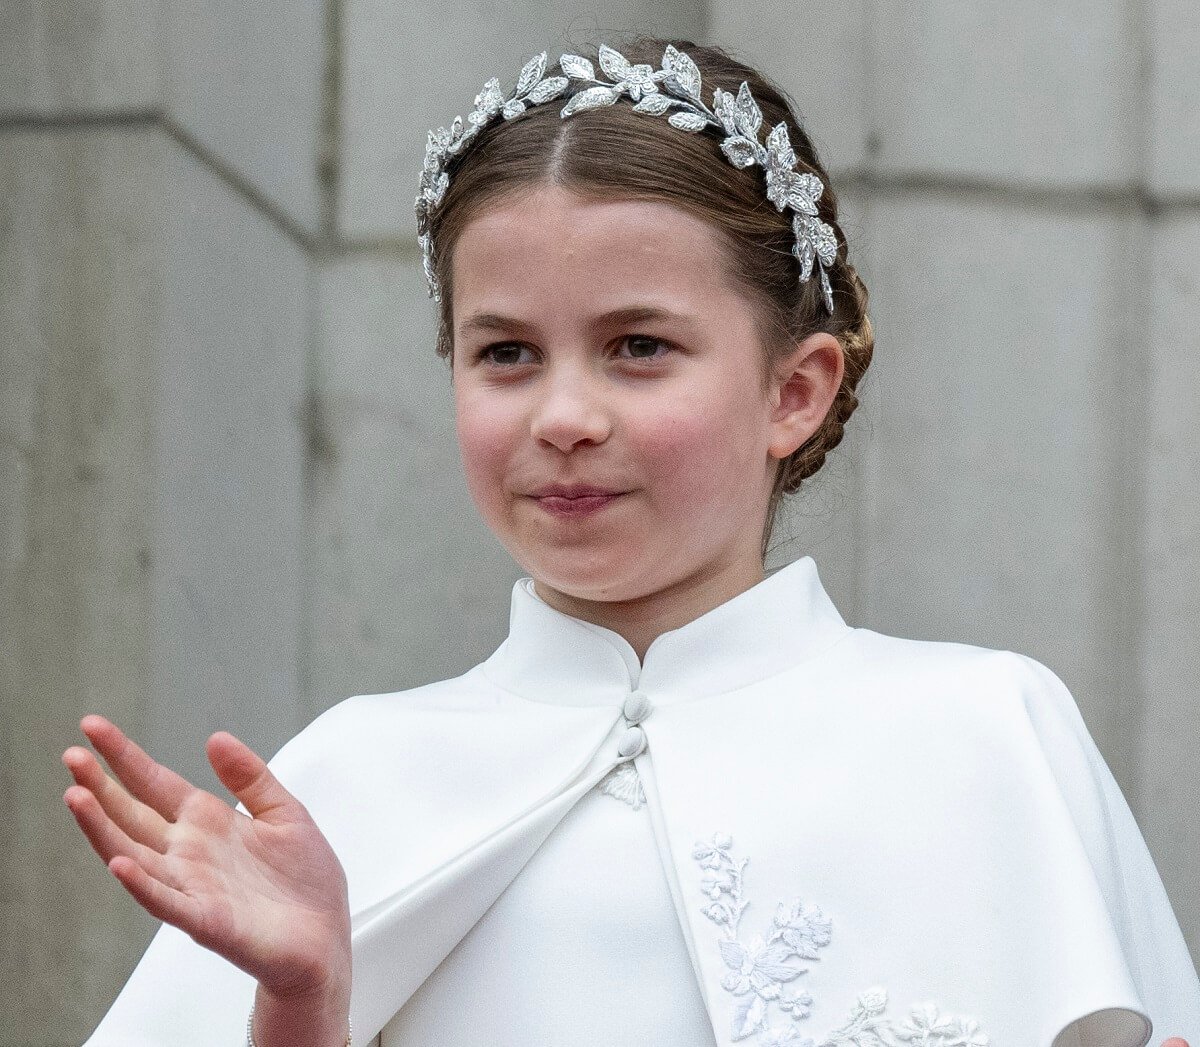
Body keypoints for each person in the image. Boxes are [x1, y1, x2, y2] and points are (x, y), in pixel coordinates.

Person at [62, 36, 1199, 1047]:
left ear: (794, 391)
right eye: (505, 353)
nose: (564, 418)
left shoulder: (985, 738)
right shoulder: (346, 780)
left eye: (640, 346)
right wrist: (302, 1011)